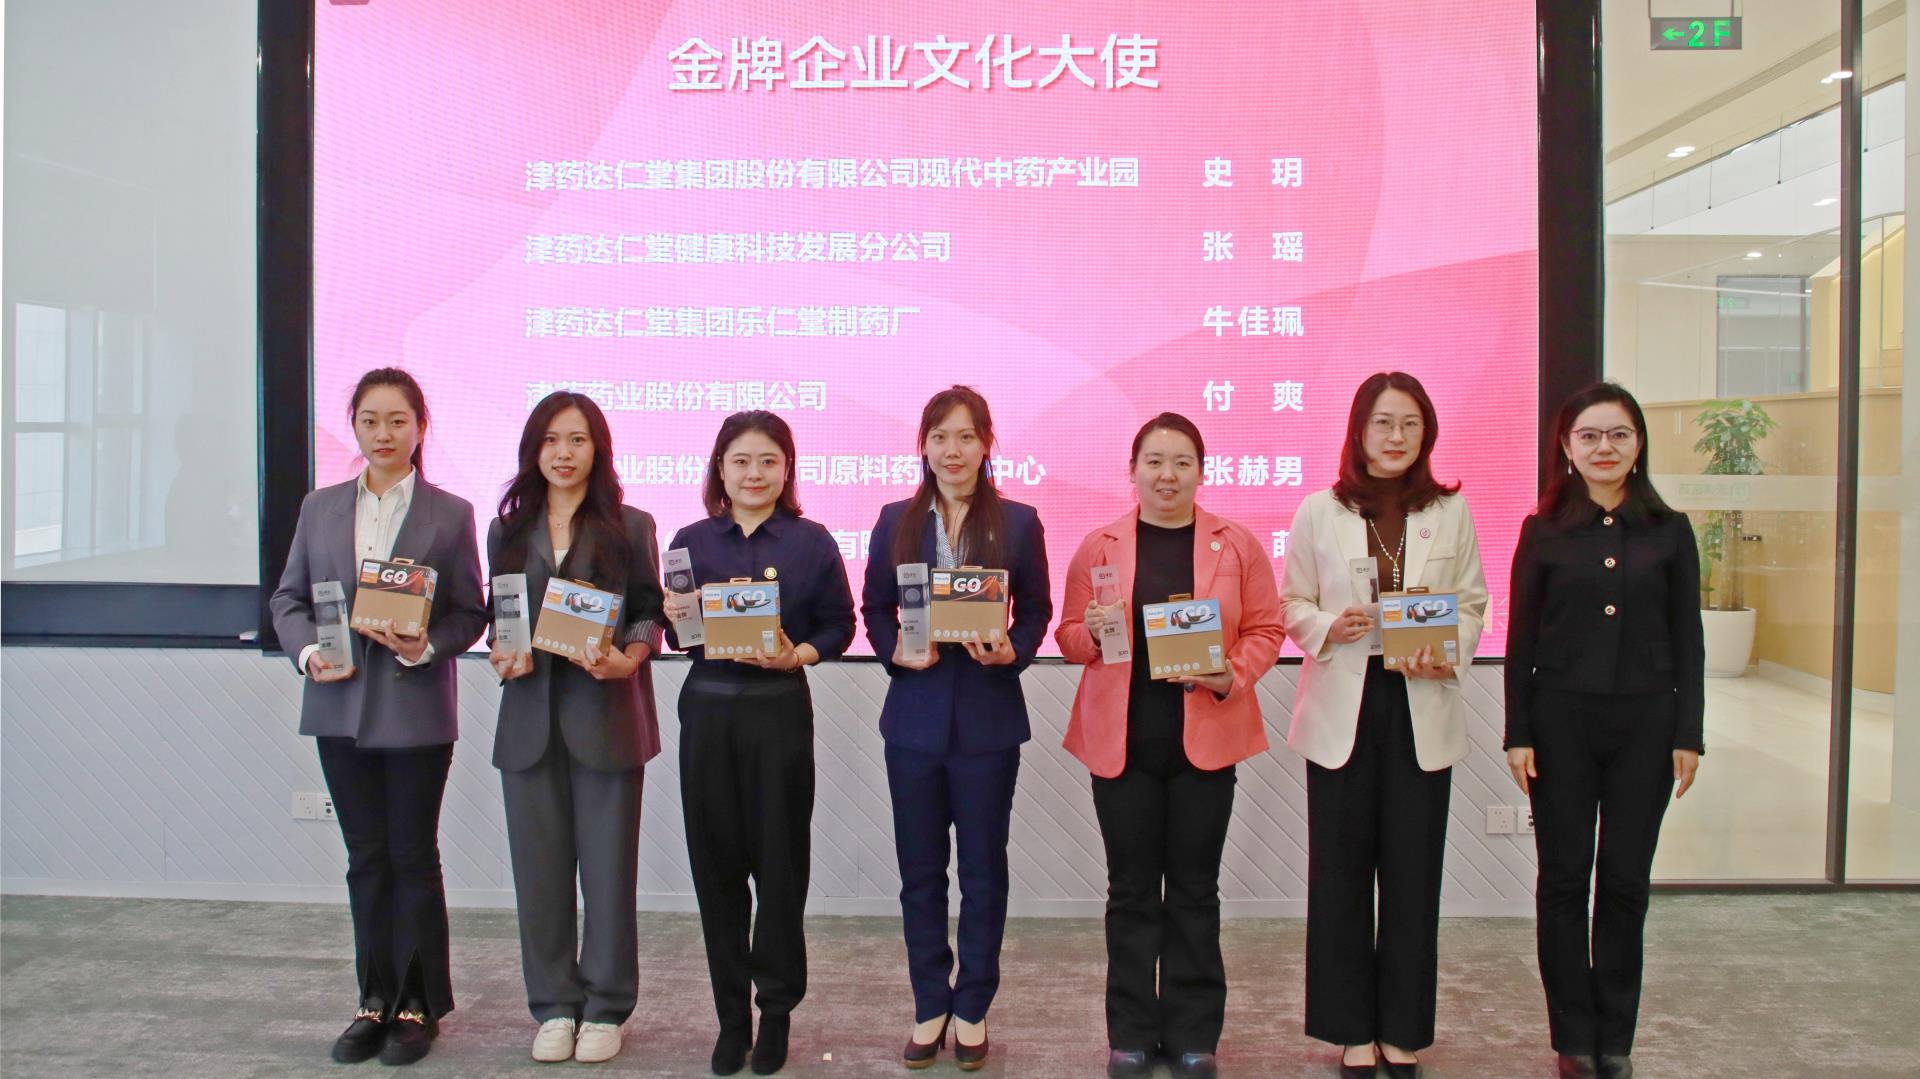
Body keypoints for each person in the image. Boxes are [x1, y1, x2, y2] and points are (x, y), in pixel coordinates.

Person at [1056, 413, 1285, 1079]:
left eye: (1182, 462)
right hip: (1122, 744)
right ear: (1132, 471)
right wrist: (1093, 631)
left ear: (1201, 471)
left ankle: (1193, 1035)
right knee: (1130, 891)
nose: (1167, 475)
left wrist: (1229, 674)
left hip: (1205, 742)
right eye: (1153, 462)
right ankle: (1130, 1032)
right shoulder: (1099, 545)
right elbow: (1069, 638)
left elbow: (1267, 629)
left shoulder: (1235, 545)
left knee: (1194, 890)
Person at [269, 367, 487, 1066]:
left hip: (416, 708)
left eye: (398, 420)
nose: (383, 433)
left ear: (421, 427)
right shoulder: (320, 507)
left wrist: (429, 646)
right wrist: (308, 653)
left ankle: (419, 1003)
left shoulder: (450, 513)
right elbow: (287, 599)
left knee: (412, 855)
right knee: (364, 858)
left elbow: (471, 611)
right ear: (355, 427)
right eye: (370, 420)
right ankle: (373, 1000)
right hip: (340, 705)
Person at [1280, 371, 1488, 1079]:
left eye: (1410, 424)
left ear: (1426, 433)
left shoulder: (1451, 510)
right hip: (1344, 706)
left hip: (1419, 701)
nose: (1396, 437)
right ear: (1359, 431)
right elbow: (1292, 601)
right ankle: (1351, 1029)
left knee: (1412, 875)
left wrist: (1448, 648)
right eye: (1383, 423)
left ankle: (1403, 1029)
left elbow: (1472, 603)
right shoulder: (1319, 510)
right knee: (1339, 877)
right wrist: (1326, 625)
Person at [1505, 382, 1704, 1079]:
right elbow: (1521, 638)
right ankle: (1572, 1035)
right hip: (1559, 723)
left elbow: (1689, 640)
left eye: (1619, 434)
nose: (1604, 447)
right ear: (1566, 447)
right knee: (1563, 880)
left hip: (1647, 725)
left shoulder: (1670, 529)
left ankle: (1615, 1035)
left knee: (1625, 881)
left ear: (1638, 443)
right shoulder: (1542, 530)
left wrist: (1689, 733)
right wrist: (1518, 731)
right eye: (1588, 435)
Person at [861, 386, 1053, 1071]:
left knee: (982, 871)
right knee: (919, 873)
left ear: (986, 444)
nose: (953, 450)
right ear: (924, 445)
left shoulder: (1020, 522)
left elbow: (1037, 611)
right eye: (940, 436)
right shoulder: (895, 520)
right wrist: (895, 650)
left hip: (987, 722)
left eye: (966, 436)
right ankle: (928, 1002)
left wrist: (1012, 651)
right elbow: (874, 608)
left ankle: (972, 1005)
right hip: (913, 721)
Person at [661, 411, 857, 1076]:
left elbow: (838, 625)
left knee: (779, 871)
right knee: (716, 873)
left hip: (778, 715)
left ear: (787, 469)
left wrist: (797, 653)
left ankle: (775, 1012)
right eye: (741, 460)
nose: (754, 473)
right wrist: (674, 616)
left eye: (768, 461)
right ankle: (730, 1019)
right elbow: (677, 637)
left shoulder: (811, 541)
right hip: (708, 715)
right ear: (720, 469)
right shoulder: (690, 541)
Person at [487, 391, 665, 1064]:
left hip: (607, 718)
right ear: (534, 449)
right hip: (528, 721)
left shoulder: (630, 525)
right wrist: (501, 649)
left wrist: (630, 658)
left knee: (610, 874)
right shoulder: (507, 530)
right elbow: (499, 616)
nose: (564, 453)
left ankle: (607, 1006)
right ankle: (554, 1004)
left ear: (598, 449)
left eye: (578, 440)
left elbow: (649, 612)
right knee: (539, 876)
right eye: (551, 440)